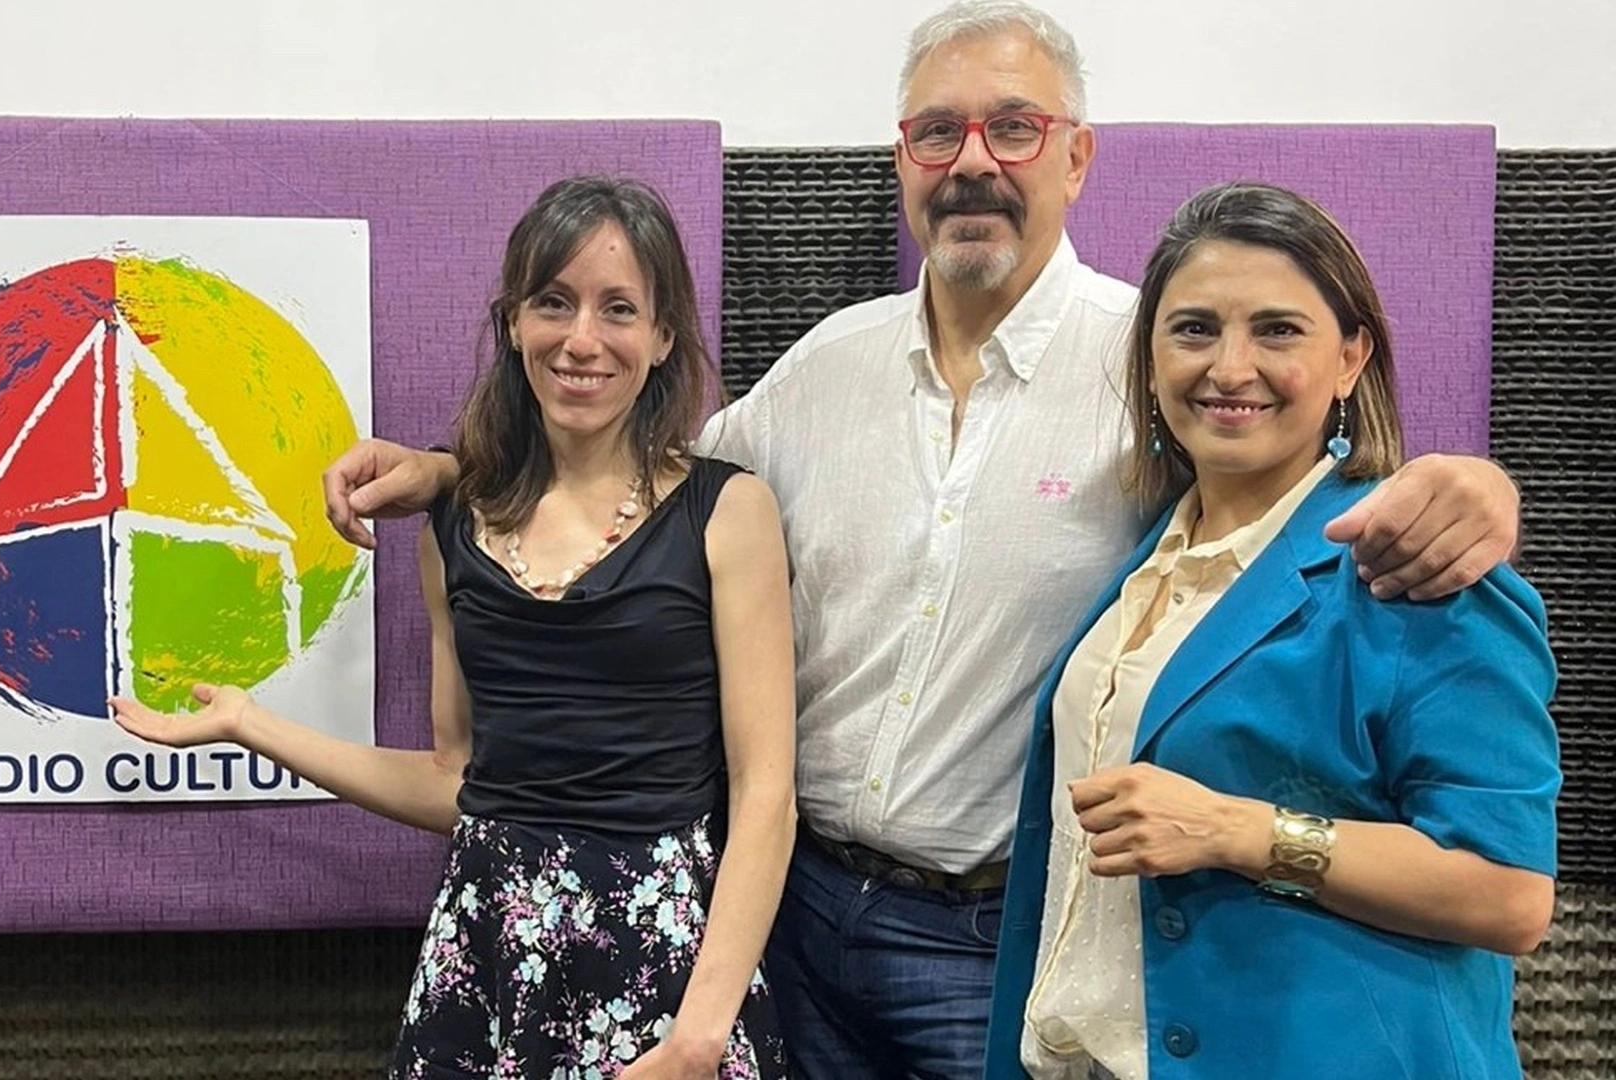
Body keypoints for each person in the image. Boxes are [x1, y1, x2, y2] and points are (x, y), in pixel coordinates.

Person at [318, 4, 1523, 1075]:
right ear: (902, 160)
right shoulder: (825, 368)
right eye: (937, 133)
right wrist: (453, 472)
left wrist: (1467, 486)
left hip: (997, 940)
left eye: (1015, 129)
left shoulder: (1158, 361)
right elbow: (630, 476)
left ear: (1077, 156)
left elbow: (1284, 488)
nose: (973, 163)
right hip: (794, 916)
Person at [112, 176, 797, 1080]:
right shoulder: (451, 529)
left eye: (619, 309)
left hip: (667, 970)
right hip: (486, 956)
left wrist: (698, 1038)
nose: (581, 339)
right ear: (513, 322)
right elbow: (456, 782)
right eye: (554, 302)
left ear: (663, 335)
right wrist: (251, 723)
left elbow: (766, 794)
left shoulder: (728, 513)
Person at [984, 180, 1559, 1080]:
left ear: (1351, 358)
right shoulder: (1149, 551)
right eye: (1194, 329)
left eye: (1278, 330)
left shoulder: (1415, 570)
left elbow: (1508, 896)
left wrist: (1239, 831)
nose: (1229, 367)